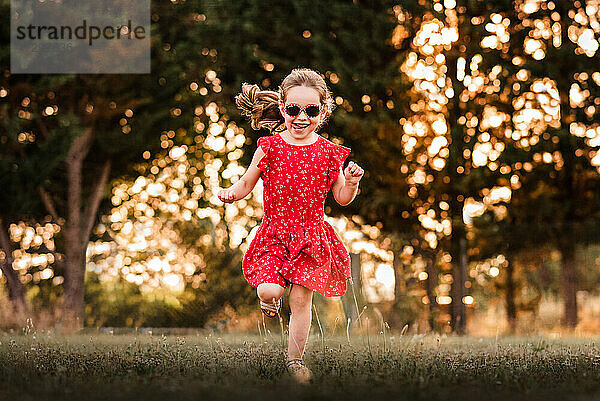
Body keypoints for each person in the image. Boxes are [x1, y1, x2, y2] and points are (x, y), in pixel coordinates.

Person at [218, 68, 365, 383]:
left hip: (312, 236)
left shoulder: (328, 152)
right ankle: (266, 301)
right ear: (282, 108)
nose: (301, 117)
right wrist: (231, 193)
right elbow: (246, 182)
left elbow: (340, 197)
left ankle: (295, 362)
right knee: (270, 289)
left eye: (310, 110)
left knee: (301, 300)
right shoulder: (269, 146)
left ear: (322, 111)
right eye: (294, 109)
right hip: (274, 234)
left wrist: (351, 183)